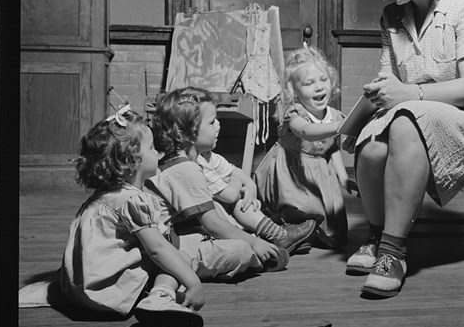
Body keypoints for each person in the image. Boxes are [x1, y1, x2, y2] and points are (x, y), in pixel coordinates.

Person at [345, 0, 464, 299]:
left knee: (405, 123)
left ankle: (394, 253)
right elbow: (387, 79)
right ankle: (378, 237)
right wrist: (350, 125)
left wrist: (408, 93)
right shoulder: (394, 14)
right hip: (413, 111)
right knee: (371, 142)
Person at [58, 104, 206, 327]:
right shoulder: (131, 200)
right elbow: (157, 249)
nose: (158, 152)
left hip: (80, 291)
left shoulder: (103, 198)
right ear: (132, 160)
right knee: (177, 255)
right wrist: (192, 282)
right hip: (110, 293)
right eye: (152, 147)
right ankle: (159, 297)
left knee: (168, 246)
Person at [145, 87, 299, 277]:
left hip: (177, 232)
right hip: (170, 246)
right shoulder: (185, 169)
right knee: (239, 250)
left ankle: (249, 244)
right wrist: (253, 244)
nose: (218, 125)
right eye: (211, 122)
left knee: (215, 208)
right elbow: (213, 225)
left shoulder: (183, 162)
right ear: (189, 133)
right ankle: (254, 258)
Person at [253, 45, 354, 249]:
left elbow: (331, 147)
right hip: (290, 171)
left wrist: (343, 178)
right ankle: (285, 226)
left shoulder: (334, 115)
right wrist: (341, 126)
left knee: (336, 236)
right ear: (294, 90)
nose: (319, 87)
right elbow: (306, 131)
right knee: (302, 207)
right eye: (309, 83)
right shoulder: (295, 113)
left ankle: (306, 235)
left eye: (323, 79)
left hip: (320, 173)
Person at [195, 122, 317, 255]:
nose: (218, 125)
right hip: (208, 224)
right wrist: (235, 182)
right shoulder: (197, 163)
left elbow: (239, 174)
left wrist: (251, 192)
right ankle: (278, 236)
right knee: (238, 202)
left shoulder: (208, 156)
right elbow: (230, 195)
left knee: (246, 201)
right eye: (212, 122)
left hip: (224, 216)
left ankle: (275, 237)